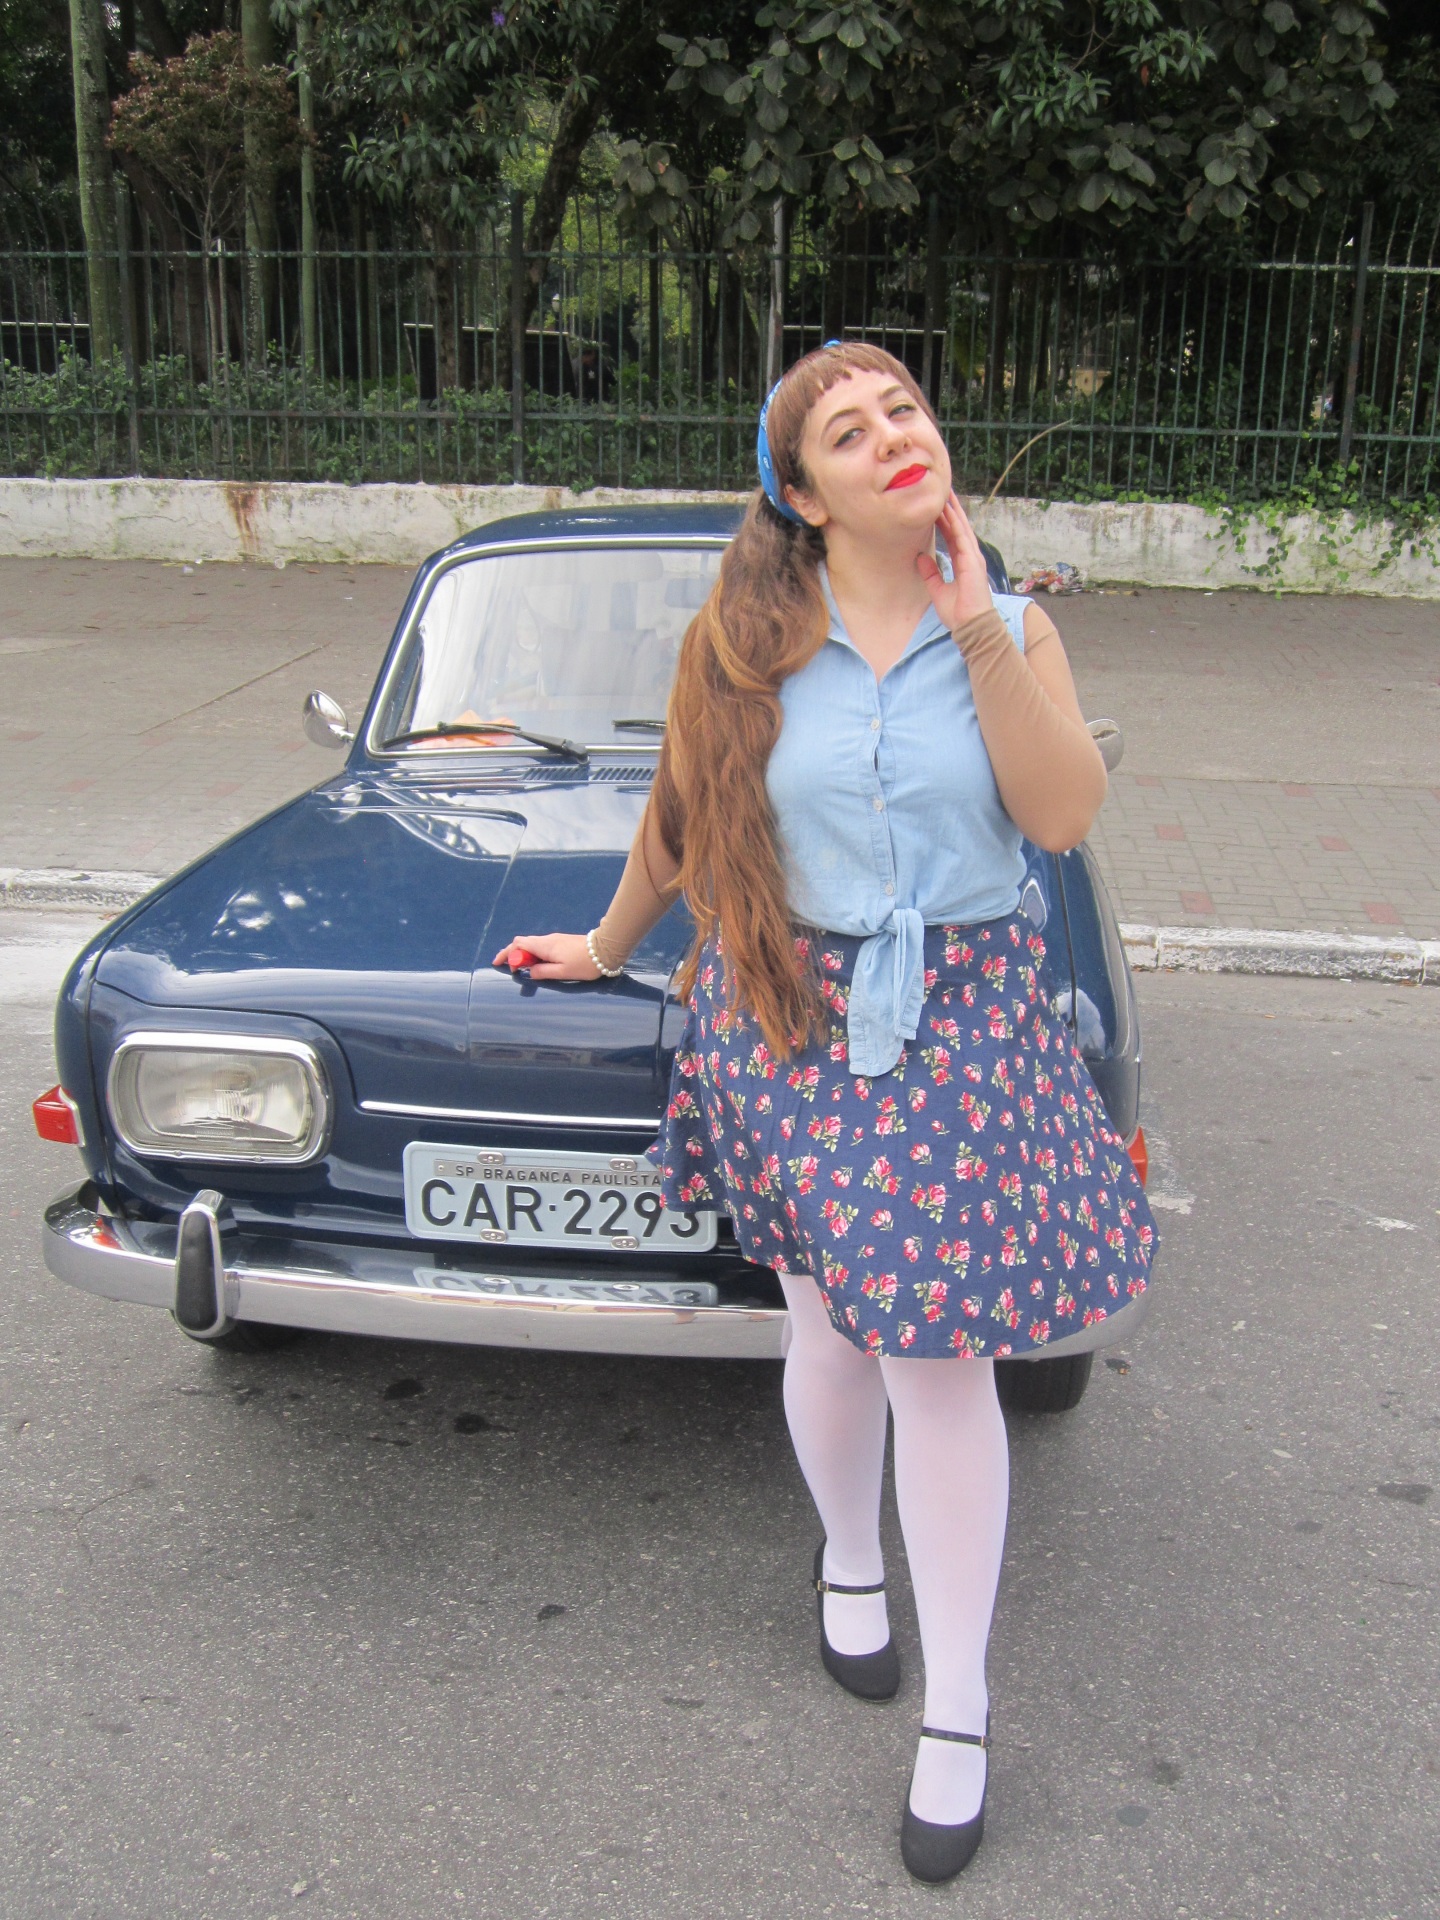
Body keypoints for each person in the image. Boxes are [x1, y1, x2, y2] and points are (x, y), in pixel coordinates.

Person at [495, 341, 1157, 1881]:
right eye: (849, 432)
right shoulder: (739, 638)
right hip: (785, 1015)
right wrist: (603, 945)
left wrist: (977, 622)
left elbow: (1062, 814)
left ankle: (960, 1710)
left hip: (958, 1024)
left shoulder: (1014, 627)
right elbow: (682, 817)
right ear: (802, 495)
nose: (893, 437)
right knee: (829, 1326)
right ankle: (849, 1560)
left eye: (904, 409)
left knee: (939, 1357)